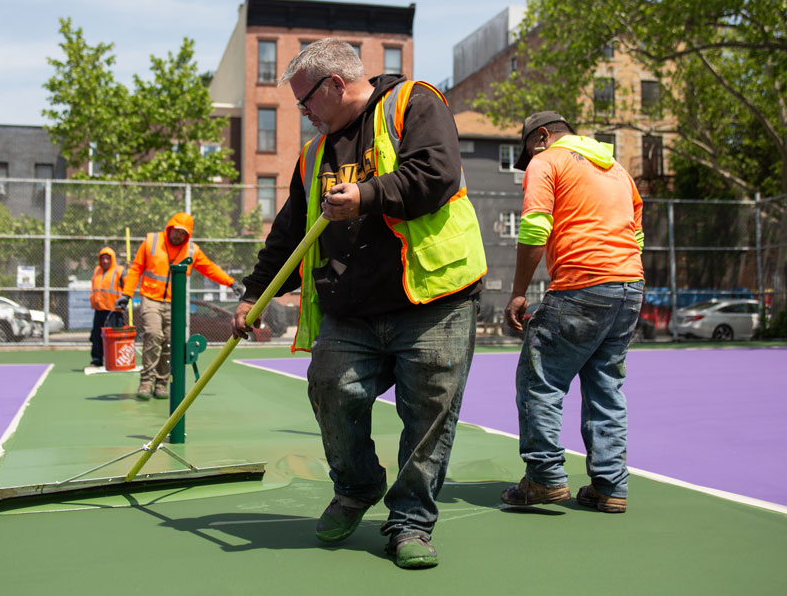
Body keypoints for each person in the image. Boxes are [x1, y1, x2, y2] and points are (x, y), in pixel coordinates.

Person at [232, 39, 487, 569]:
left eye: (305, 102)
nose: (302, 115)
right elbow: (287, 234)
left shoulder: (413, 104)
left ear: (336, 85)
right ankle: (356, 486)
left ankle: (411, 523)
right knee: (331, 387)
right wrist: (255, 294)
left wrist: (366, 196)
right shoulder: (314, 155)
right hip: (352, 309)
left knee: (428, 416)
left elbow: (437, 173)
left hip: (433, 298)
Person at [502, 111, 645, 514]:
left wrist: (517, 293)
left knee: (539, 380)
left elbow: (533, 227)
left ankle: (544, 478)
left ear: (541, 137)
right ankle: (610, 486)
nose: (527, 165)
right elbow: (636, 235)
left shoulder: (548, 160)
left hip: (581, 284)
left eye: (527, 153)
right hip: (628, 286)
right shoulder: (617, 170)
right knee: (606, 386)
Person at [116, 213, 242, 400]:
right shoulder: (151, 241)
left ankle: (161, 383)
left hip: (174, 301)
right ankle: (146, 381)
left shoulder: (192, 250)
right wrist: (126, 294)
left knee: (169, 341)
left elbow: (210, 268)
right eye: (176, 231)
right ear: (170, 228)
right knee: (153, 334)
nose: (178, 236)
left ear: (188, 235)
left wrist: (231, 283)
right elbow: (135, 269)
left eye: (183, 233)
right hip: (151, 298)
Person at [89, 247, 126, 367]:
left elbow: (129, 284)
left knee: (114, 337)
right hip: (99, 309)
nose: (105, 261)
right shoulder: (97, 271)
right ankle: (97, 360)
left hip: (114, 310)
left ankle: (116, 360)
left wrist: (124, 301)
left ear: (112, 259)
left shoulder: (119, 270)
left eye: (107, 258)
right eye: (103, 258)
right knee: (96, 336)